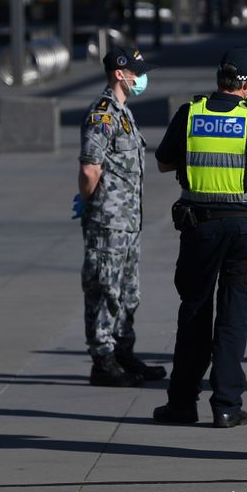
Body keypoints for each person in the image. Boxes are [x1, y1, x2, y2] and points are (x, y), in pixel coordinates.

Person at [152, 48, 247, 428]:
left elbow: (164, 162)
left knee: (195, 309)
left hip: (200, 226)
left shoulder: (190, 113)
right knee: (233, 313)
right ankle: (227, 405)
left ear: (219, 78)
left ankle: (181, 403)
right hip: (245, 228)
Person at [74, 45, 166, 387]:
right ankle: (103, 359)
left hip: (127, 222)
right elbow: (89, 168)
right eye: (137, 73)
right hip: (107, 221)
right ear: (119, 73)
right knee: (104, 288)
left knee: (128, 291)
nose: (141, 79)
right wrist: (87, 201)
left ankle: (124, 352)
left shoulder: (123, 112)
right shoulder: (104, 114)